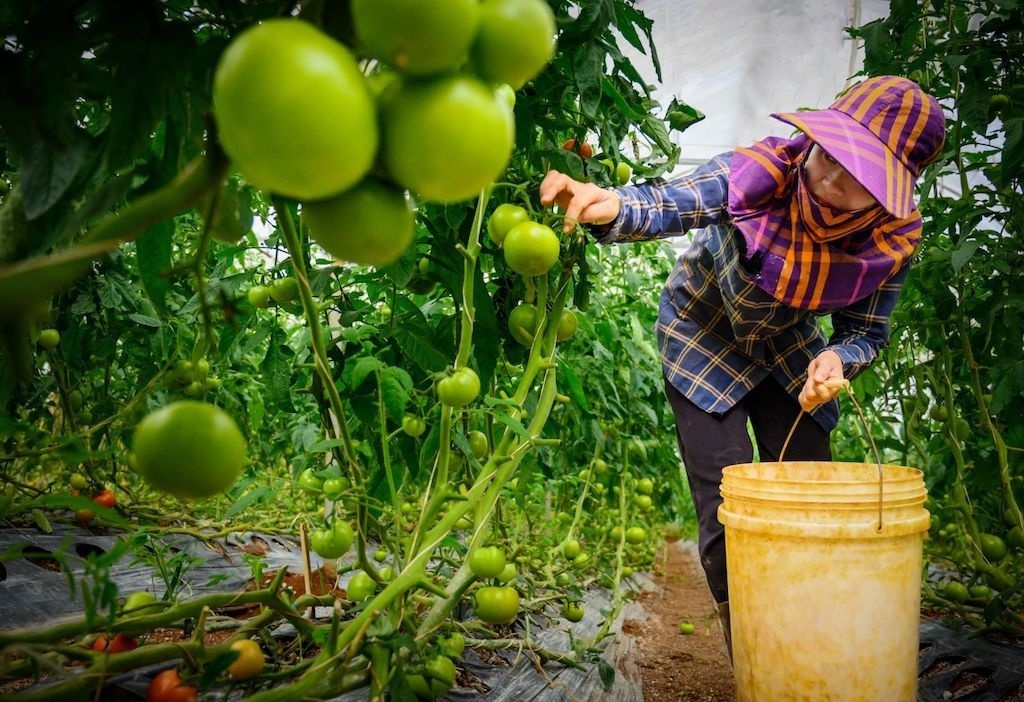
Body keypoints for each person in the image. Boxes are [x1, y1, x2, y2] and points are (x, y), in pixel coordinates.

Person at [539, 75, 946, 659]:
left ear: (892, 191)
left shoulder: (890, 240)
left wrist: (838, 357)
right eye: (827, 156)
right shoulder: (761, 173)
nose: (828, 179)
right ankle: (756, 650)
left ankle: (813, 637)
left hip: (788, 348)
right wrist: (614, 206)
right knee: (726, 500)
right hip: (702, 333)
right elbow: (674, 202)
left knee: (809, 491)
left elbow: (865, 333)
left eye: (856, 177)